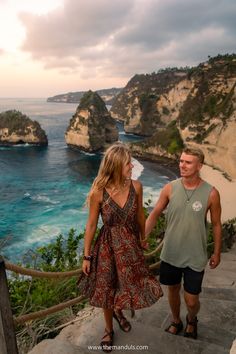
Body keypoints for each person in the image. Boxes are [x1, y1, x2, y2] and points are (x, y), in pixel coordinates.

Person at [77, 142, 163, 352]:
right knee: (107, 289)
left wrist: (143, 237)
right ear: (115, 165)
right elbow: (90, 226)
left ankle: (118, 310)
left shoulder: (137, 187)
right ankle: (108, 329)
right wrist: (86, 256)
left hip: (130, 245)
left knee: (127, 285)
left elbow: (140, 215)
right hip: (106, 247)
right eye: (128, 164)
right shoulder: (99, 191)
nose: (132, 167)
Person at [145, 146, 222, 339]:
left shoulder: (211, 193)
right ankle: (176, 320)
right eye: (181, 161)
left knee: (192, 300)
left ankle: (192, 319)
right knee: (172, 290)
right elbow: (154, 214)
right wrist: (143, 237)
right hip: (171, 252)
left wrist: (217, 252)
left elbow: (217, 225)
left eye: (188, 162)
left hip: (195, 255)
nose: (182, 165)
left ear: (199, 166)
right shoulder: (170, 187)